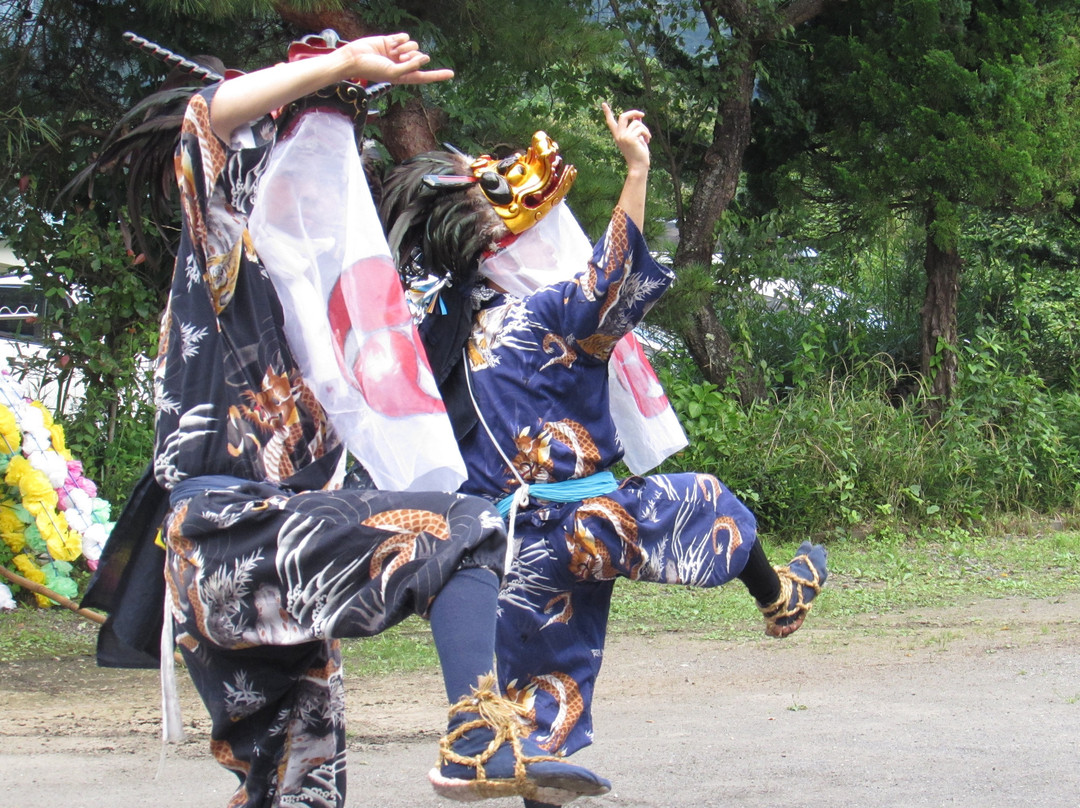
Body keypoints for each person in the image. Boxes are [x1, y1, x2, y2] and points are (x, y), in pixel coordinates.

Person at [100, 29, 613, 808]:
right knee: (467, 528)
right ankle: (479, 738)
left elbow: (440, 332)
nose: (318, 194)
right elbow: (208, 118)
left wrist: (486, 221)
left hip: (274, 560)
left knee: (298, 788)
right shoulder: (229, 258)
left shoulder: (339, 318)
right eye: (304, 171)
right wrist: (335, 66)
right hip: (225, 532)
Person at [379, 103, 828, 808]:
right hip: (590, 521)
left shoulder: (443, 336)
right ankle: (781, 598)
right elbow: (613, 271)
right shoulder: (549, 313)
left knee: (536, 702)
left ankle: (506, 761)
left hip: (506, 551)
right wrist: (637, 168)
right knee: (707, 502)